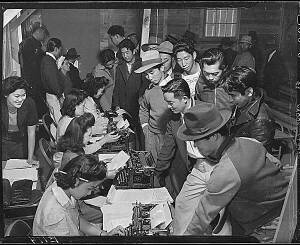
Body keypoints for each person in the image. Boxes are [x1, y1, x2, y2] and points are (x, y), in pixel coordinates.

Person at [176, 103, 288, 236]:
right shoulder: (249, 141)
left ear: (214, 136)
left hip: (266, 226)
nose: (195, 145)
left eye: (197, 141)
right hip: (286, 208)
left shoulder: (225, 172)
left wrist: (185, 239)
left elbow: (203, 215)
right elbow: (277, 164)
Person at [33, 154, 125, 236]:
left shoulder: (64, 188)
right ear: (77, 181)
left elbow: (75, 219)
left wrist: (104, 234)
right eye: (90, 188)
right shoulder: (56, 216)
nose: (89, 193)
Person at [155, 78, 200, 199]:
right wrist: (156, 174)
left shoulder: (204, 111)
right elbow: (167, 149)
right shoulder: (173, 119)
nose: (168, 107)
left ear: (184, 99)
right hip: (186, 170)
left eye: (171, 102)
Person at [222, 66, 275, 152]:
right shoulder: (242, 104)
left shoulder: (261, 121)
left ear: (249, 92)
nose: (230, 100)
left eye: (233, 95)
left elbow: (257, 156)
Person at [135, 50, 173, 162]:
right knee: (152, 167)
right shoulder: (149, 90)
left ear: (161, 68)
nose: (149, 77)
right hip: (151, 136)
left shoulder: (174, 87)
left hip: (168, 136)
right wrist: (145, 127)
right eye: (146, 74)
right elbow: (143, 109)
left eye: (152, 73)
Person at [112, 38, 149, 150]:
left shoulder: (142, 64)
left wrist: (141, 102)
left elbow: (145, 86)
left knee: (141, 135)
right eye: (122, 53)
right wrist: (117, 105)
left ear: (134, 51)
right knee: (127, 136)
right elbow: (117, 87)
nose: (125, 56)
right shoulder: (119, 67)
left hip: (138, 105)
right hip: (124, 107)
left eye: (127, 52)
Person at [2, 76, 38, 162]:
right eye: (17, 96)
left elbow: (31, 132)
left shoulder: (29, 103)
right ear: (6, 94)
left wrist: (30, 157)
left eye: (23, 95)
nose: (20, 99)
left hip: (21, 142)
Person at [18, 22, 49, 118]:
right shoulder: (28, 43)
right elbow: (30, 62)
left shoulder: (37, 44)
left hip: (38, 81)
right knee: (35, 107)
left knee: (40, 107)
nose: (44, 37)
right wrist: (41, 52)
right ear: (39, 31)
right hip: (32, 81)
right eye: (44, 34)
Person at [40, 38, 64, 130]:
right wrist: (60, 96)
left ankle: (54, 142)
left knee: (54, 122)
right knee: (59, 122)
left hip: (51, 94)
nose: (60, 52)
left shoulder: (47, 59)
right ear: (56, 49)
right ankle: (61, 143)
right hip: (53, 95)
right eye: (60, 50)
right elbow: (53, 81)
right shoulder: (49, 61)